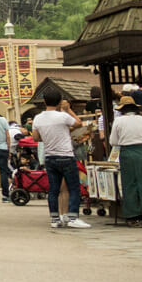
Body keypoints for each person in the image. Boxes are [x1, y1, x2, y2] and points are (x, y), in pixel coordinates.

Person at [33, 95, 91, 229]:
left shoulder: (38, 118)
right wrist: (68, 110)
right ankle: (73, 217)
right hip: (66, 156)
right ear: (59, 102)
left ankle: (55, 219)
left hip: (50, 157)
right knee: (74, 188)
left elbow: (36, 137)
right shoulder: (62, 116)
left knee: (54, 189)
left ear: (44, 101)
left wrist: (50, 136)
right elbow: (79, 124)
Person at [108, 95, 142, 228]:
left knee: (130, 184)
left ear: (122, 109)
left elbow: (113, 141)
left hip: (128, 152)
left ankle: (133, 216)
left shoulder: (118, 121)